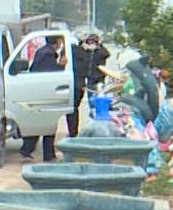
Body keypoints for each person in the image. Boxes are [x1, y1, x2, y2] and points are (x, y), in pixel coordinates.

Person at [18, 34, 68, 162]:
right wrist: (62, 66)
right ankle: (46, 154)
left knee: (41, 123)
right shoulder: (48, 55)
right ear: (57, 41)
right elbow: (51, 74)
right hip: (44, 93)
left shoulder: (42, 51)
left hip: (39, 92)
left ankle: (28, 149)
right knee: (48, 125)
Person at [69, 33, 110, 138]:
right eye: (89, 41)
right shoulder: (84, 52)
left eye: (93, 42)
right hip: (88, 80)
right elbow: (75, 50)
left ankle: (98, 128)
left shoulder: (100, 52)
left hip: (98, 80)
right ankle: (91, 126)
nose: (91, 44)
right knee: (90, 104)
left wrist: (100, 46)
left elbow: (107, 54)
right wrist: (82, 44)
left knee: (96, 105)